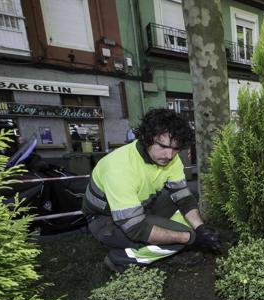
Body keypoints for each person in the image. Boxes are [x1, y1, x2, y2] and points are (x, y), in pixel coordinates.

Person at [82, 108, 220, 273]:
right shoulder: (119, 167)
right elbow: (135, 228)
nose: (169, 155)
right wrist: (191, 238)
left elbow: (183, 197)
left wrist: (200, 228)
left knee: (189, 214)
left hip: (141, 208)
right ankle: (121, 259)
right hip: (105, 219)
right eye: (162, 145)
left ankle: (167, 249)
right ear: (147, 138)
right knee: (181, 237)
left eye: (176, 148)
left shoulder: (170, 159)